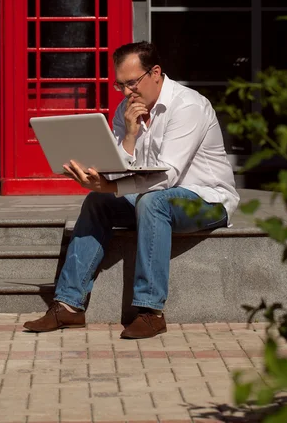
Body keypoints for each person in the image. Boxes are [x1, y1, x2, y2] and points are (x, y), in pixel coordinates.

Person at [24, 41, 240, 339]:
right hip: (151, 199)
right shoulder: (125, 112)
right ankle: (68, 306)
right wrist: (126, 140)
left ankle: (151, 312)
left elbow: (168, 176)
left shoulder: (188, 106)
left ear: (156, 73)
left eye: (132, 83)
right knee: (98, 200)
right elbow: (114, 167)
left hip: (206, 199)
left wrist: (113, 185)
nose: (127, 92)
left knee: (153, 201)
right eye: (120, 85)